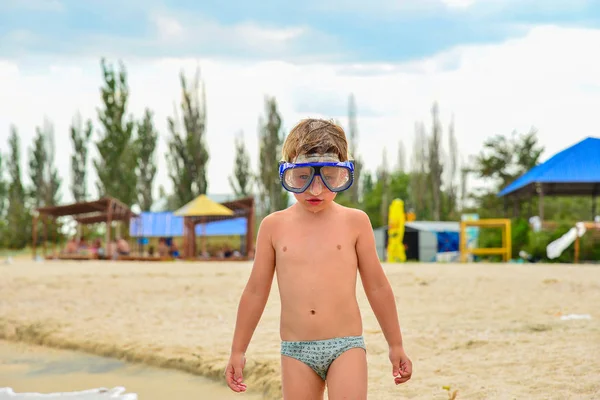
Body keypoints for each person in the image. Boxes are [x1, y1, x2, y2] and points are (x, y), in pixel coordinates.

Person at [225, 118, 412, 399]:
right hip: (296, 350)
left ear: (343, 174)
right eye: (302, 177)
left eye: (328, 177)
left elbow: (377, 286)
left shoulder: (355, 223)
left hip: (345, 346)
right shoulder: (273, 227)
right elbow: (255, 291)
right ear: (287, 172)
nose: (315, 189)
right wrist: (238, 350)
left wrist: (395, 344)